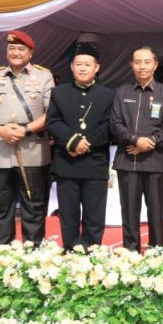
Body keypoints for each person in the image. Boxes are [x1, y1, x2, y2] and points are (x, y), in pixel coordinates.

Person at [0, 30, 54, 244]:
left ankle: (33, 248)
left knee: (33, 203)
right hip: (0, 149)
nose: (16, 53)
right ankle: (3, 249)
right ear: (6, 51)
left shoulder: (44, 76)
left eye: (21, 49)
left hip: (32, 148)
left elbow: (51, 113)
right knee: (3, 203)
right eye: (12, 48)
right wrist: (0, 130)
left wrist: (26, 130)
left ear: (30, 53)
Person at [45, 44, 115, 250]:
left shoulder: (108, 94)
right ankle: (71, 252)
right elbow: (52, 121)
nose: (83, 68)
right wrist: (74, 141)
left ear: (97, 67)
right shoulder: (59, 93)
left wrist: (86, 143)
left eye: (87, 64)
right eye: (79, 64)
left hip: (95, 163)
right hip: (67, 164)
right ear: (72, 67)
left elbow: (110, 125)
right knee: (68, 215)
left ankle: (92, 253)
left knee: (95, 215)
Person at [110, 46, 163, 252]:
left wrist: (151, 142)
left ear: (155, 65)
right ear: (131, 65)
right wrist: (135, 140)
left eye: (147, 62)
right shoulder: (122, 92)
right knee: (129, 211)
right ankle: (130, 253)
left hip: (155, 160)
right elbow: (115, 123)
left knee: (156, 211)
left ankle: (157, 252)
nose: (142, 66)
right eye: (138, 62)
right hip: (127, 160)